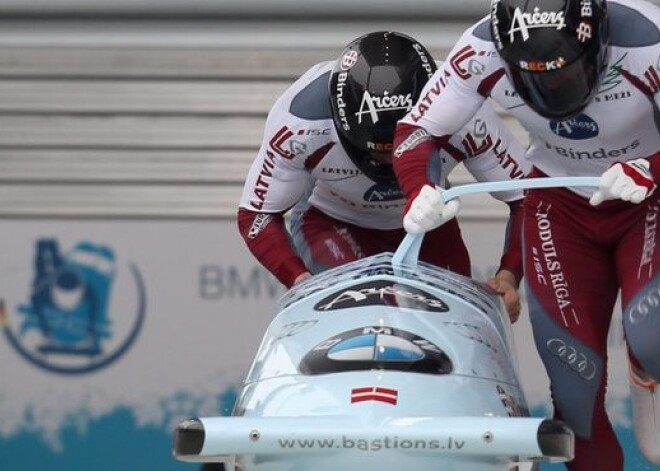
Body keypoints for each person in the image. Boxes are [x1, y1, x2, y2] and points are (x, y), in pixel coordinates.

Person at [391, 0, 660, 469]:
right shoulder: (479, 49)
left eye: (563, 72)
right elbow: (417, 130)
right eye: (533, 76)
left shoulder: (647, 40)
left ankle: (647, 365)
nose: (551, 87)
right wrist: (420, 189)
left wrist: (651, 168)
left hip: (648, 199)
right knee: (575, 390)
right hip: (560, 205)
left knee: (651, 332)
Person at [237, 31, 532, 320]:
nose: (391, 161)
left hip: (425, 224)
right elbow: (257, 215)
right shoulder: (300, 122)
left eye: (402, 146)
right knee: (355, 318)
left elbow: (528, 196)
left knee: (446, 321)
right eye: (378, 149)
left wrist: (508, 275)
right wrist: (299, 280)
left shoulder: (462, 109)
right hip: (331, 220)